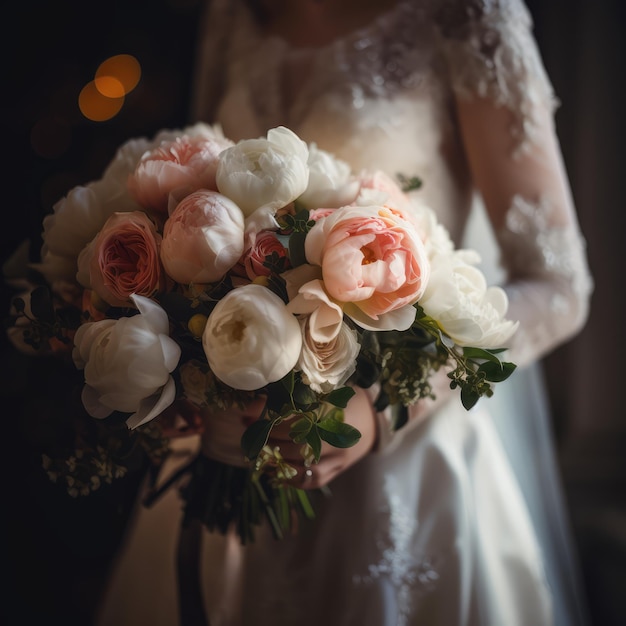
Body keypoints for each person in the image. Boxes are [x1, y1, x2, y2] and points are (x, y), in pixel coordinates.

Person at [95, 1, 594, 625]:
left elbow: (559, 285)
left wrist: (383, 404)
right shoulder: (233, 12)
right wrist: (186, 365)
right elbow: (200, 194)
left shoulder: (469, 16)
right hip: (232, 440)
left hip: (403, 469)